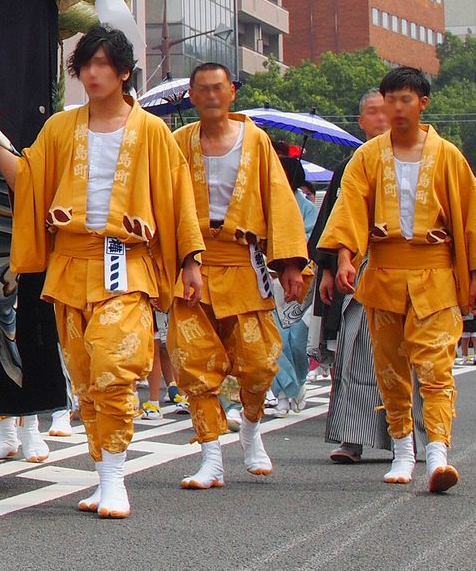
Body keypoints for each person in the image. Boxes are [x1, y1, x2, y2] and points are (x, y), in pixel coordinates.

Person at [0, 24, 204, 519]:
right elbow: (30, 181)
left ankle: (115, 480)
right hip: (72, 263)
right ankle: (103, 474)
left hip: (128, 263)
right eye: (87, 64)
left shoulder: (151, 131)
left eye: (105, 64)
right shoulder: (61, 129)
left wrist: (190, 261)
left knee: (115, 366)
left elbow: (177, 198)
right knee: (84, 378)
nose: (95, 73)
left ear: (124, 72)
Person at [319, 66, 476, 492]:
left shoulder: (448, 156)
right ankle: (402, 450)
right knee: (390, 368)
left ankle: (437, 452)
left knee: (436, 367)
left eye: (406, 99)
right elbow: (349, 211)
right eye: (391, 99)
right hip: (383, 271)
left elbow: (472, 218)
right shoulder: (367, 157)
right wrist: (344, 258)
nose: (397, 108)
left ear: (423, 104)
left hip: (434, 271)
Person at [167, 63, 307, 490]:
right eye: (202, 89)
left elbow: (280, 203)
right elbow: (161, 198)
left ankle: (250, 425)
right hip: (193, 263)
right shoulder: (177, 143)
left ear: (232, 93)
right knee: (195, 362)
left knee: (260, 361)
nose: (211, 96)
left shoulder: (257, 142)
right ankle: (211, 455)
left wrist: (289, 265)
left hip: (243, 260)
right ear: (191, 96)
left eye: (219, 88)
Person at [314, 89, 420, 465]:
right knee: (358, 351)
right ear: (361, 122)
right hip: (360, 270)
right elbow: (334, 221)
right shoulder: (353, 164)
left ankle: (416, 439)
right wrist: (327, 269)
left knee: (415, 354)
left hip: (417, 270)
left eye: (386, 110)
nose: (381, 118)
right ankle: (352, 438)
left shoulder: (426, 157)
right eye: (373, 113)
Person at [270, 155, 318, 416]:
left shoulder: (307, 208)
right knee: (275, 338)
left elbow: (313, 239)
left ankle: (297, 382)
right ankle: (282, 394)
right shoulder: (266, 201)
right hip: (269, 276)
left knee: (297, 339)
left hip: (301, 276)